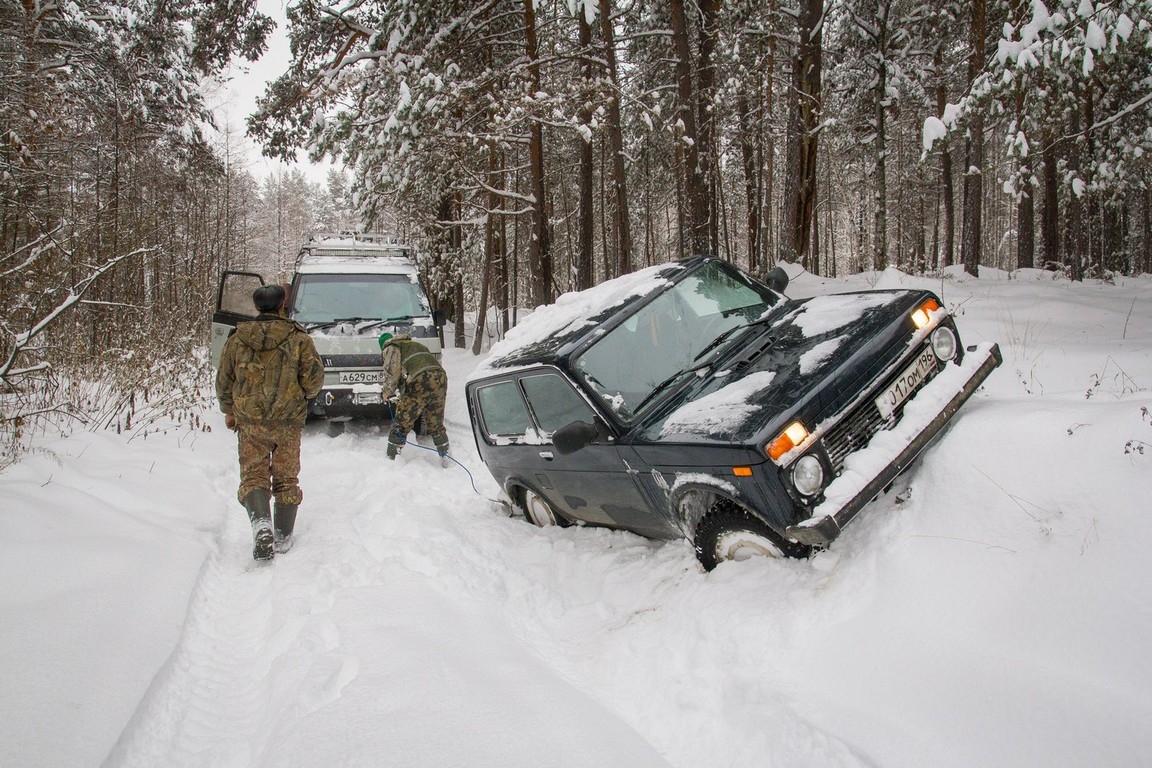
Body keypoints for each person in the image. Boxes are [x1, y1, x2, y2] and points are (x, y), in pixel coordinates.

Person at [216, 284, 325, 560]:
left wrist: (229, 410)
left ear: (256, 308)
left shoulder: (237, 338)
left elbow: (223, 381)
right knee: (287, 479)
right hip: (288, 423)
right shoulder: (299, 338)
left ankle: (262, 525)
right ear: (281, 307)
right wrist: (303, 398)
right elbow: (313, 381)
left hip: (250, 423)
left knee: (254, 476)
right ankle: (283, 537)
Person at [379, 330, 450, 466]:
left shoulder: (391, 347)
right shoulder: (413, 344)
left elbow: (392, 374)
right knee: (436, 424)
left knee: (401, 423)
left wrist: (386, 393)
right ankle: (447, 459)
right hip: (440, 378)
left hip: (420, 379)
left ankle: (391, 460)